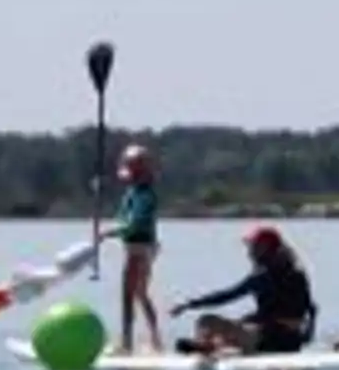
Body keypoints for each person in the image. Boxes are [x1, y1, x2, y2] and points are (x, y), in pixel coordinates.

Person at [173, 223, 316, 356]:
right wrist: (306, 337)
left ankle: (209, 346)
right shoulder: (297, 272)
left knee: (206, 321)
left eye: (253, 246)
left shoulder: (263, 275)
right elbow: (312, 310)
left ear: (264, 248)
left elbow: (228, 295)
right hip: (292, 340)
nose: (249, 251)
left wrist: (190, 304)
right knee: (243, 323)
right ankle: (211, 345)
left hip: (271, 338)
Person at [109, 142, 165, 353]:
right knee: (141, 293)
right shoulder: (137, 188)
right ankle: (156, 340)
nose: (127, 172)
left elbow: (134, 223)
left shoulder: (144, 194)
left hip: (139, 248)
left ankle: (127, 343)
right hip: (142, 246)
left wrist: (110, 232)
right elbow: (122, 174)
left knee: (128, 295)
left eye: (132, 167)